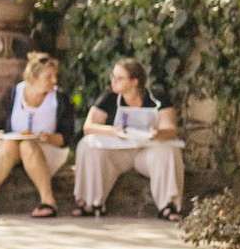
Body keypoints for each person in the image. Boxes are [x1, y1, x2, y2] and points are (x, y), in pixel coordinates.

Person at [74, 58, 185, 220]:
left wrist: (157, 133)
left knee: (168, 149)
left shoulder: (157, 97)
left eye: (119, 78)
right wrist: (114, 131)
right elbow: (89, 127)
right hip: (118, 153)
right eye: (113, 77)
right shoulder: (109, 97)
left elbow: (170, 129)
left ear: (134, 81)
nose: (113, 81)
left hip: (147, 153)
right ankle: (91, 203)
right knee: (87, 145)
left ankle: (169, 206)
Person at [0, 52, 76, 219]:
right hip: (14, 149)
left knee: (27, 145)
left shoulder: (60, 98)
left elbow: (67, 137)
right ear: (33, 78)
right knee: (9, 145)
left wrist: (48, 138)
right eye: (49, 77)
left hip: (49, 149)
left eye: (55, 76)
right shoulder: (13, 94)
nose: (54, 81)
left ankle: (48, 200)